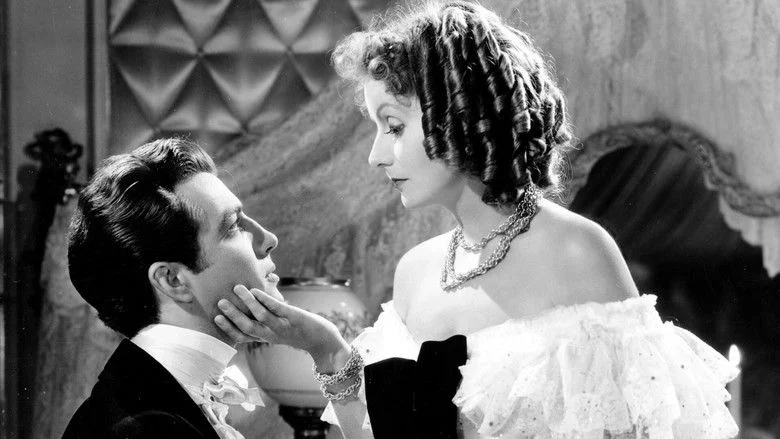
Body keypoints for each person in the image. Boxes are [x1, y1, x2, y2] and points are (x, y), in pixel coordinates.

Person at [215, 1, 740, 438]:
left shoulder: (576, 251)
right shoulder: (416, 272)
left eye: (393, 126)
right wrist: (327, 349)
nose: (376, 156)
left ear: (460, 116)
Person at [62, 138, 284, 438]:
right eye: (233, 226)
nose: (268, 239)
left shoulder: (152, 402)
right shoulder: (147, 430)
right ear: (173, 280)